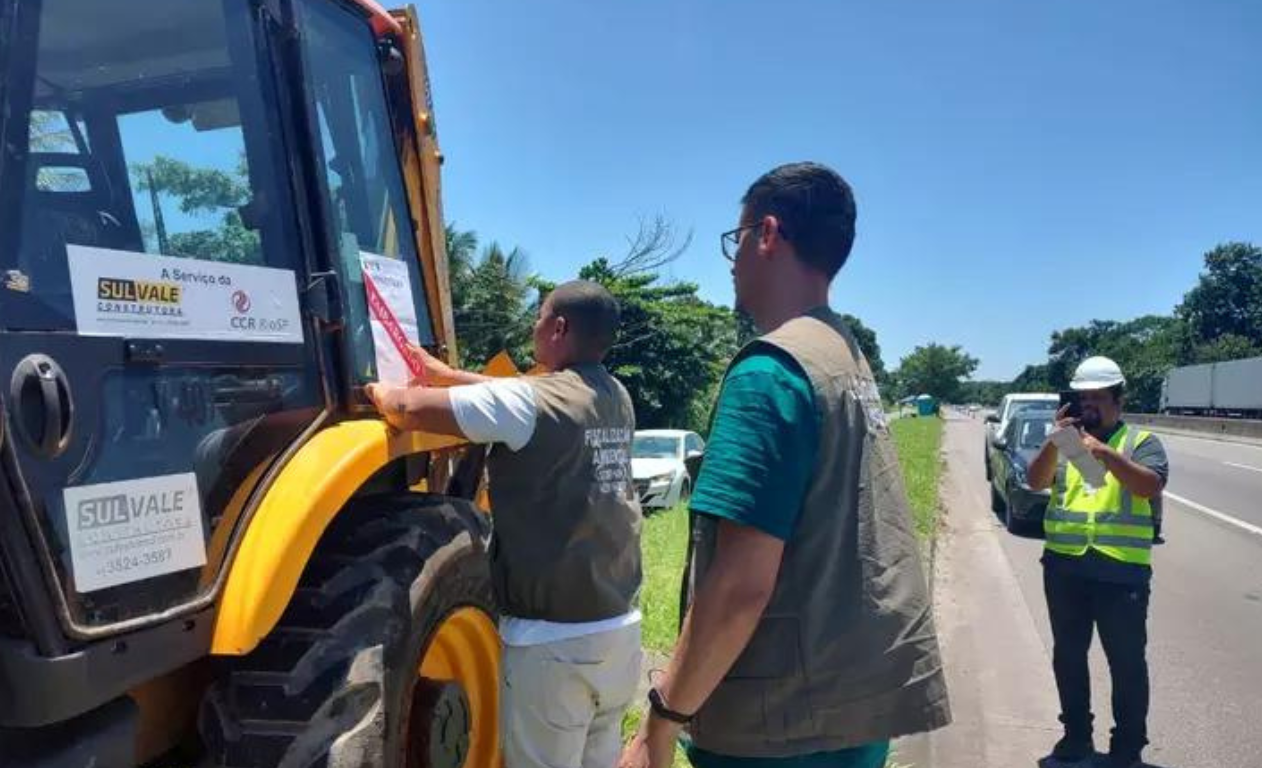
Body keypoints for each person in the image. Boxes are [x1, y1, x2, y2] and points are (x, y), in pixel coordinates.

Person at [619, 162, 949, 768]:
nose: (732, 259)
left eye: (735, 239)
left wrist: (658, 725)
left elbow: (741, 584)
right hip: (849, 713)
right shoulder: (845, 355)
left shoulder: (769, 372)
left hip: (778, 728)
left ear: (766, 234)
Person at [364, 280, 643, 768]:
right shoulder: (615, 395)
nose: (533, 326)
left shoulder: (530, 405)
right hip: (618, 628)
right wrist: (448, 374)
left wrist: (370, 388)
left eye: (539, 317)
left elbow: (406, 409)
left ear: (558, 328)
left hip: (554, 642)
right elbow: (517, 395)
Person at [1027, 356, 1167, 768]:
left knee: (1126, 663)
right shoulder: (1068, 442)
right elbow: (1036, 481)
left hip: (1120, 573)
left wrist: (1105, 452)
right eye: (1083, 398)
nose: (1089, 406)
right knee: (1068, 658)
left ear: (1118, 400)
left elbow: (1149, 485)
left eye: (1098, 399)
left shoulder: (1139, 443)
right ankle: (1075, 738)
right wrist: (1056, 440)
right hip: (1066, 567)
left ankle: (1127, 748)